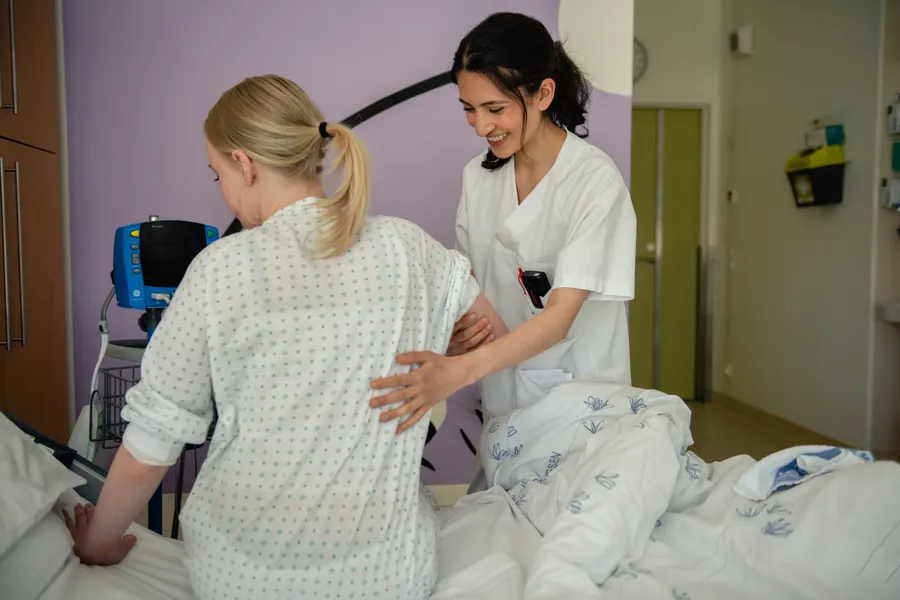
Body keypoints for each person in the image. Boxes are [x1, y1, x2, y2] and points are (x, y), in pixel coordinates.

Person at [63, 74, 496, 599]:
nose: (223, 192)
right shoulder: (406, 245)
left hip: (243, 580)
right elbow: (488, 331)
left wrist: (99, 545)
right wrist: (432, 348)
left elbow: (153, 439)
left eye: (217, 175)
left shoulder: (221, 268)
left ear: (245, 164)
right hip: (389, 578)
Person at [371, 12, 636, 460]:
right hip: (505, 408)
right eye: (469, 109)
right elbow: (470, 293)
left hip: (582, 410)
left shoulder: (593, 180)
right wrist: (456, 339)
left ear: (543, 94)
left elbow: (559, 317)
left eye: (494, 109)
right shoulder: (479, 177)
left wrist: (460, 370)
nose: (480, 126)